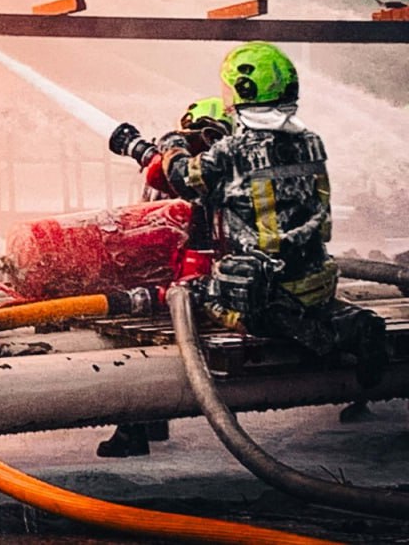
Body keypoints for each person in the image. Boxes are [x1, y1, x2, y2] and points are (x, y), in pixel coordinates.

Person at [110, 41, 387, 392]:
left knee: (193, 293)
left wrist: (170, 146)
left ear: (244, 90)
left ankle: (331, 335)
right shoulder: (311, 142)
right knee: (300, 294)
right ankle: (351, 320)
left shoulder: (233, 151)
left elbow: (183, 179)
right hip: (317, 280)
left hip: (265, 290)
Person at [98, 96, 233, 458]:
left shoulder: (194, 172)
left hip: (186, 284)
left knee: (140, 343)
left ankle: (135, 427)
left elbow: (160, 212)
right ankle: (151, 421)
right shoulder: (231, 165)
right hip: (211, 278)